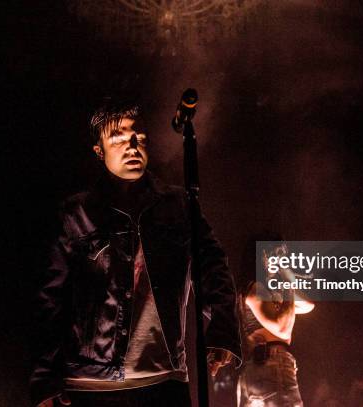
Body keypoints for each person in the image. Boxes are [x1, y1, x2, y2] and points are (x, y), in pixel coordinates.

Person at [29, 99, 241, 407]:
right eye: (119, 140)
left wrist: (222, 328)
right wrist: (44, 376)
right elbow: (49, 298)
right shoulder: (75, 213)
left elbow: (213, 267)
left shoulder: (179, 205)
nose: (132, 146)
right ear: (98, 152)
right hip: (92, 384)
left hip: (164, 380)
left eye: (139, 139)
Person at [237, 235, 314, 407]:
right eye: (278, 252)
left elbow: (308, 305)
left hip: (264, 368)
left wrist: (287, 278)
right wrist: (287, 279)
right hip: (271, 367)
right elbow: (282, 328)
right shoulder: (256, 288)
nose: (283, 258)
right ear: (262, 255)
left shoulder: (268, 290)